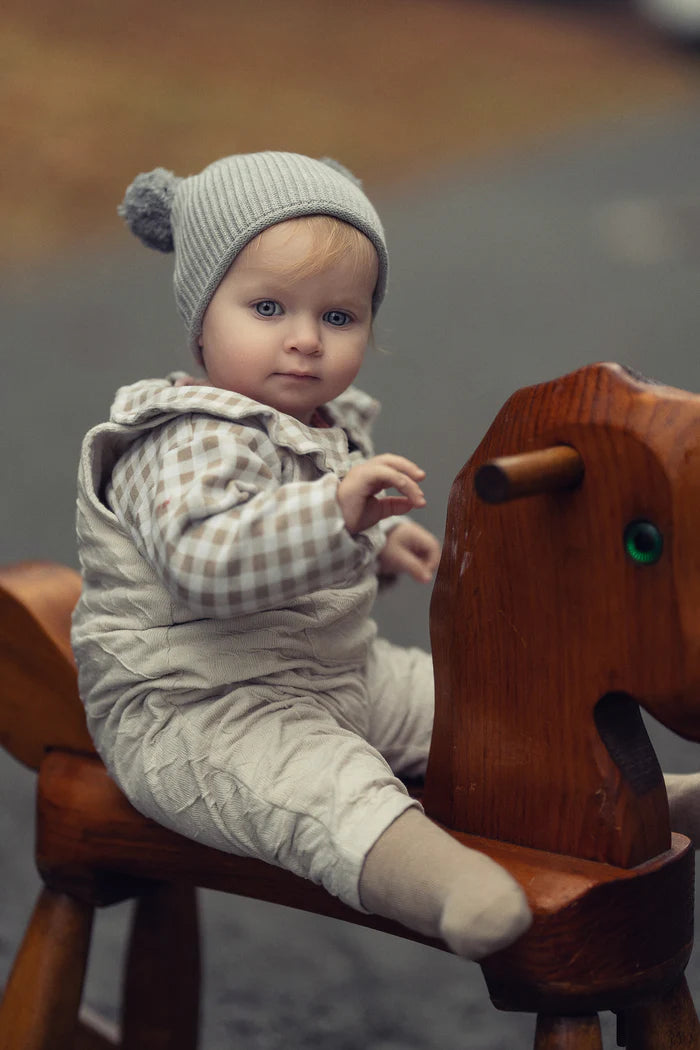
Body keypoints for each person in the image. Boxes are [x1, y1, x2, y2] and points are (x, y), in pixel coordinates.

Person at [71, 151, 700, 962]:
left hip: (338, 676)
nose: (304, 341)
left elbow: (300, 554)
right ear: (202, 313)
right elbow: (211, 560)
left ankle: (642, 800)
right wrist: (335, 515)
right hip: (200, 707)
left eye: (339, 317)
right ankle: (442, 882)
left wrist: (373, 543)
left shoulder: (323, 425)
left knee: (476, 702)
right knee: (319, 785)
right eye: (267, 307)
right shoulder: (183, 438)